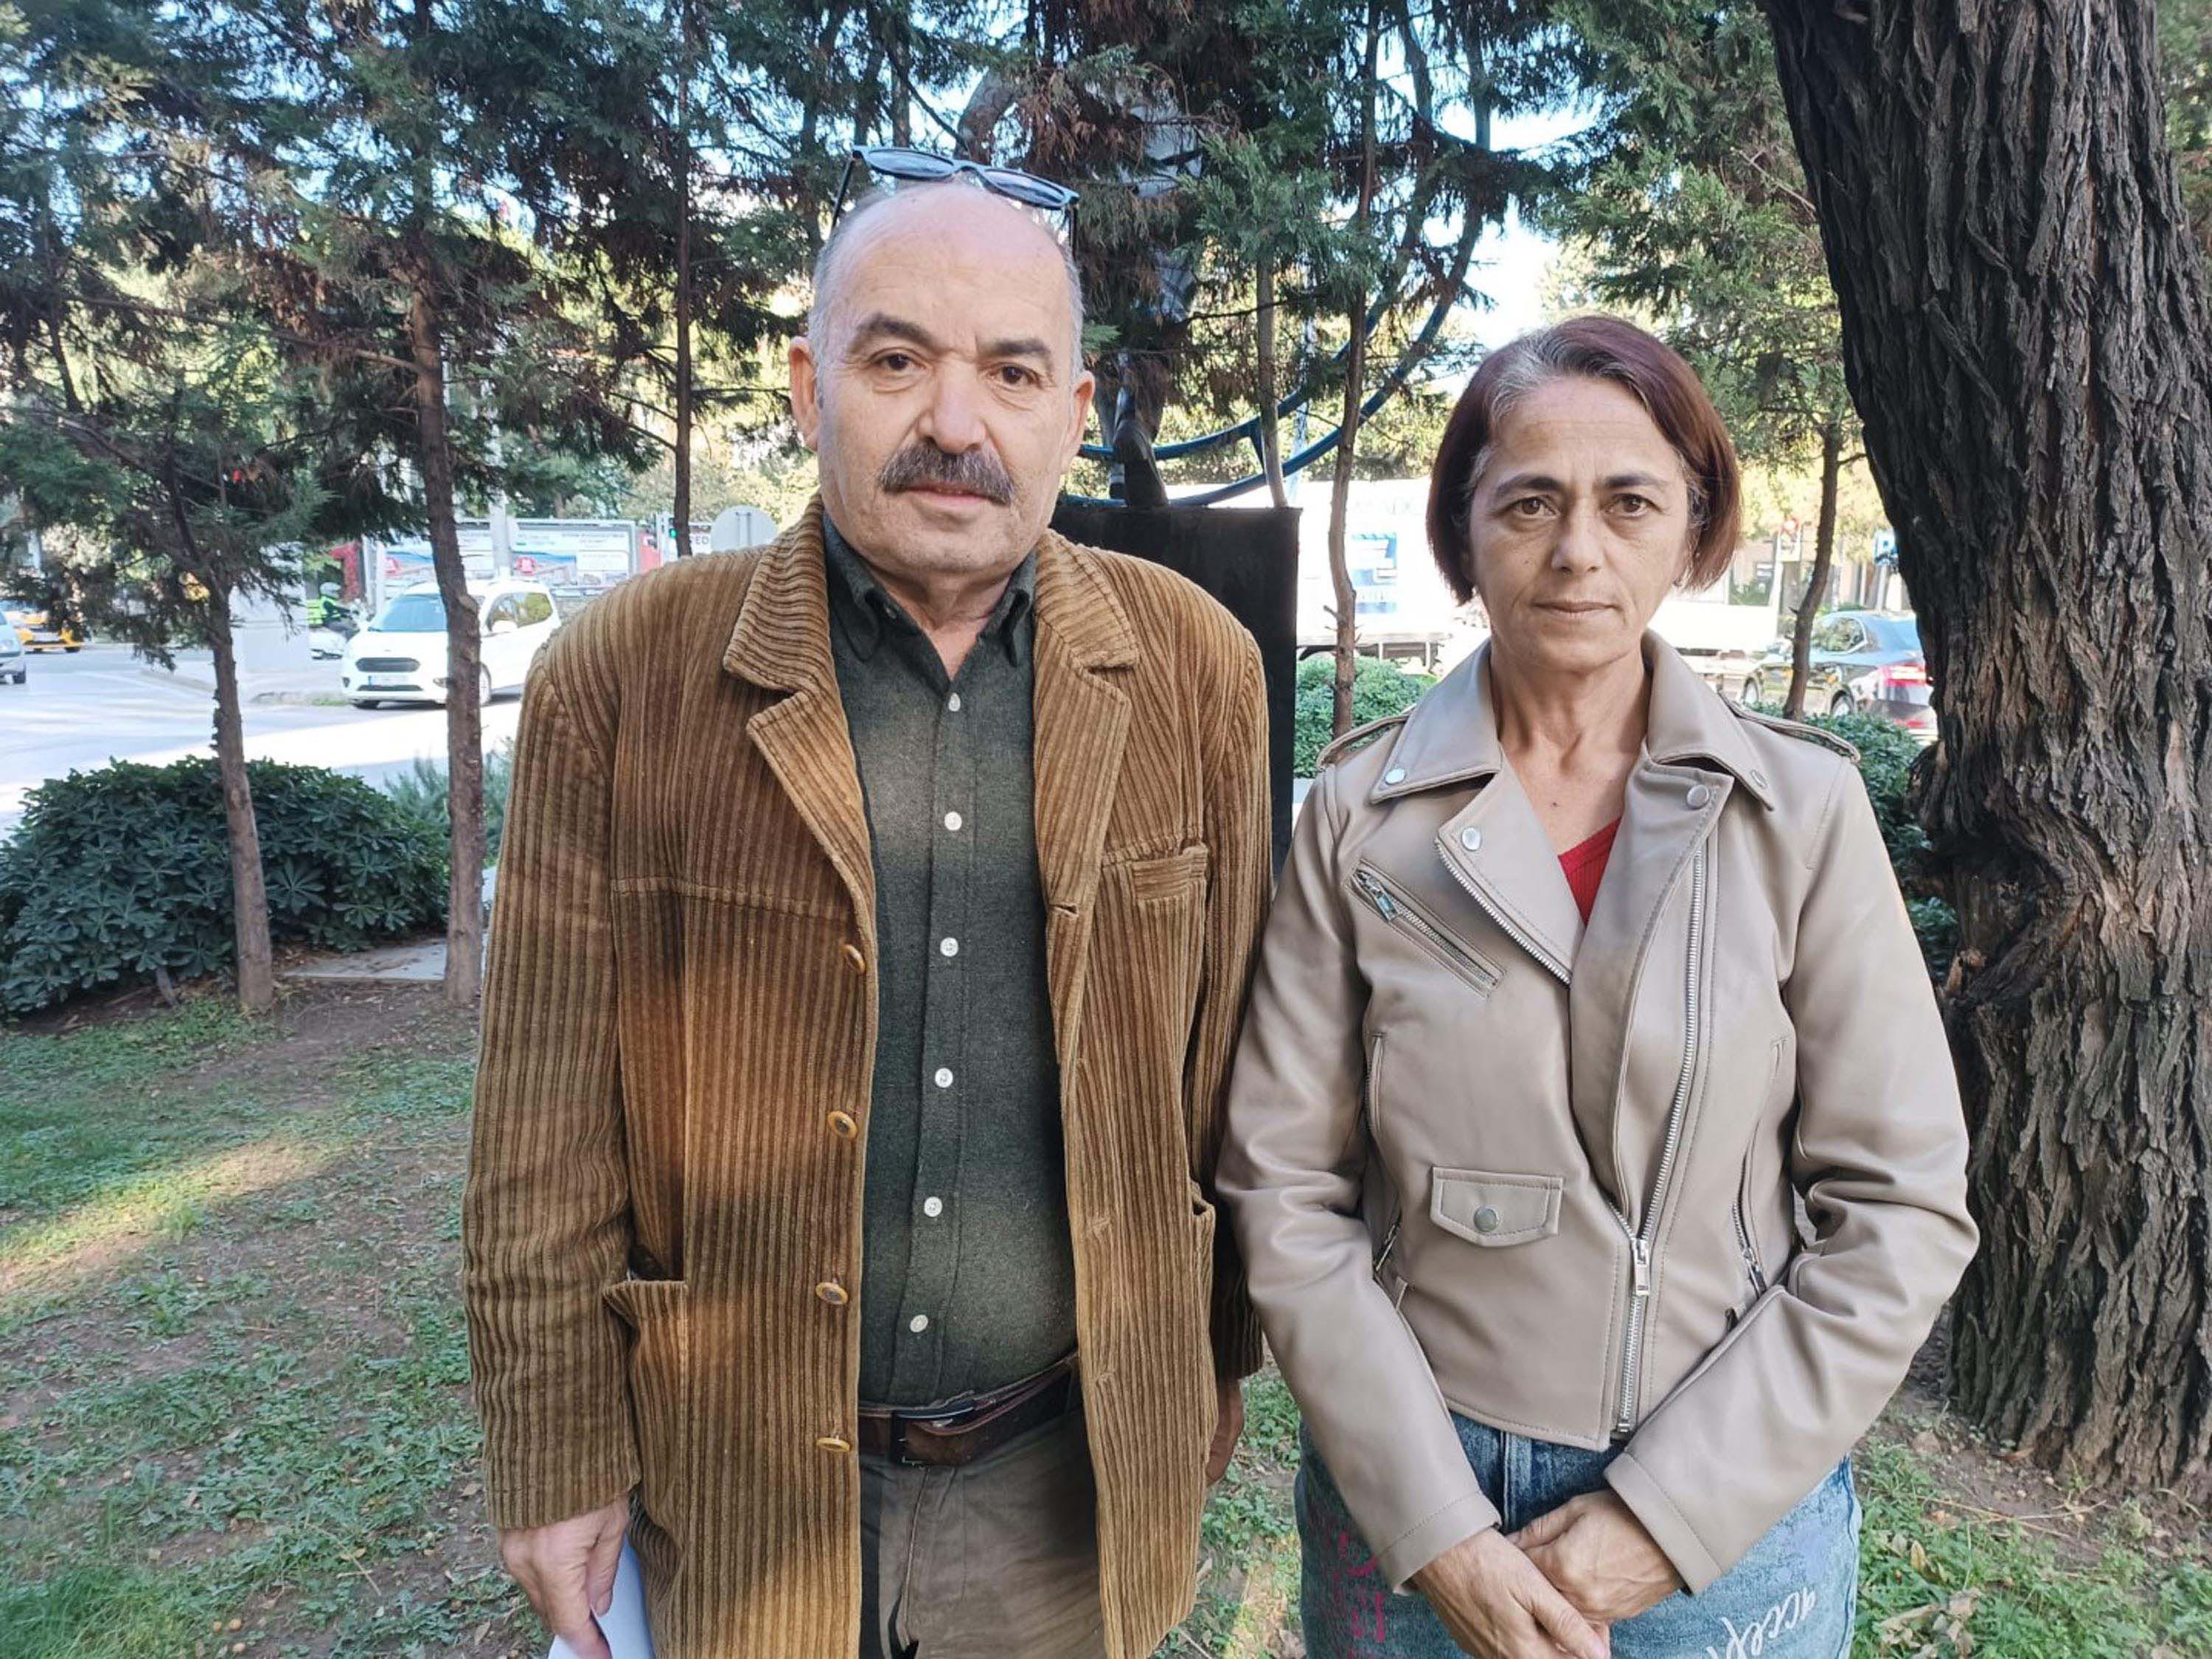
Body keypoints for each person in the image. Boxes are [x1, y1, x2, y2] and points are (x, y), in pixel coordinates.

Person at [462, 164, 1272, 1659]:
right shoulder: (625, 677)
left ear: (1073, 412)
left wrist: (1209, 1356)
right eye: (897, 359)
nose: (956, 424)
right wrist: (555, 1445)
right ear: (807, 386)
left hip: (1062, 1487)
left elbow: (1229, 1066)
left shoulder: (1197, 669)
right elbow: (541, 1116)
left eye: (1011, 374)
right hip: (739, 1481)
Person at [1219, 316, 1977, 1658]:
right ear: (1464, 535)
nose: (1578, 550)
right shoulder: (1361, 819)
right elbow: (1286, 1187)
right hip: (1416, 1492)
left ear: (1693, 531)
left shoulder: (1796, 812)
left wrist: (1672, 1511)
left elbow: (1901, 1204)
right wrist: (1435, 1523)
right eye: (1529, 503)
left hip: (1726, 1515)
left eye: (1630, 502)